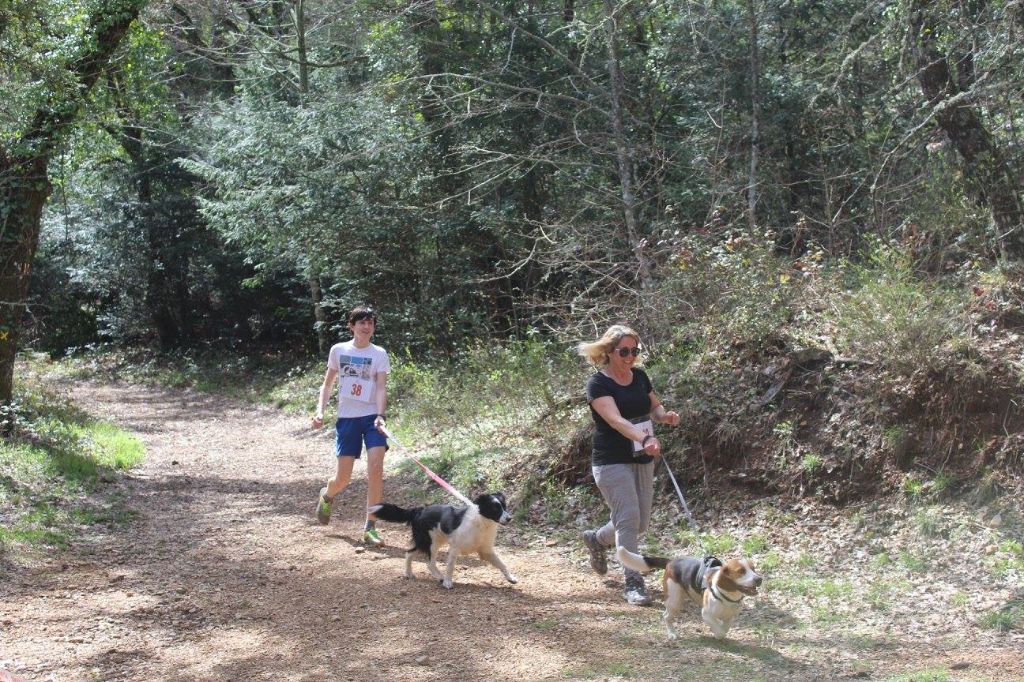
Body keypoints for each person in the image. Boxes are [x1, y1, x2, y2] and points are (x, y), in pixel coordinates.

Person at [578, 324, 680, 605]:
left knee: (639, 522)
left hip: (641, 457)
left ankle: (597, 539)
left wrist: (665, 416)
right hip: (611, 461)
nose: (630, 356)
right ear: (610, 352)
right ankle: (633, 582)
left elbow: (654, 408)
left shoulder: (640, 377)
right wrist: (644, 437)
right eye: (624, 351)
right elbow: (615, 420)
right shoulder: (598, 383)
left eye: (635, 351)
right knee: (628, 518)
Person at [312, 305, 391, 546]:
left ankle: (370, 526)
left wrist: (380, 414)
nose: (366, 327)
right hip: (347, 419)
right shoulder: (339, 350)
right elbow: (327, 385)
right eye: (362, 323)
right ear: (352, 325)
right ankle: (328, 494)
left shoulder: (379, 353)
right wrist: (320, 411)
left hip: (371, 418)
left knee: (376, 467)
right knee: (342, 479)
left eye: (370, 323)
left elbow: (380, 387)